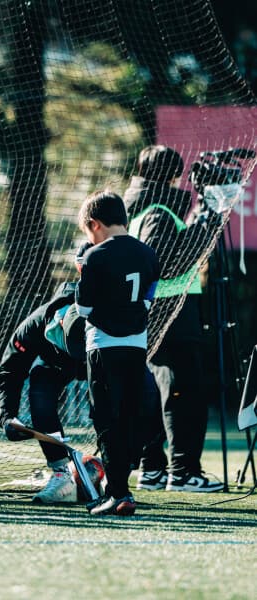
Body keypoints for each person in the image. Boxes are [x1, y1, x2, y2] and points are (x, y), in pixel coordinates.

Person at [124, 145, 224, 492]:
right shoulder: (158, 211)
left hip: (158, 311)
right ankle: (183, 473)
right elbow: (166, 262)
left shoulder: (144, 208)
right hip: (173, 311)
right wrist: (209, 218)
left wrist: (203, 217)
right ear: (173, 176)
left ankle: (153, 468)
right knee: (185, 394)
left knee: (159, 392)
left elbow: (170, 250)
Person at [76, 189, 160, 516]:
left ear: (94, 224)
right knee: (129, 415)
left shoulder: (95, 256)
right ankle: (123, 488)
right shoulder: (148, 253)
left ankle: (117, 493)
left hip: (103, 345)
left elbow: (83, 309)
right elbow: (149, 298)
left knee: (106, 419)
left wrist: (83, 272)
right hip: (136, 345)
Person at [0, 282, 86, 504]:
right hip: (55, 364)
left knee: (116, 407)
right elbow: (9, 372)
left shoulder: (104, 317)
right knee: (40, 391)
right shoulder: (33, 327)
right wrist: (6, 416)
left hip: (102, 357)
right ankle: (62, 473)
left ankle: (121, 473)